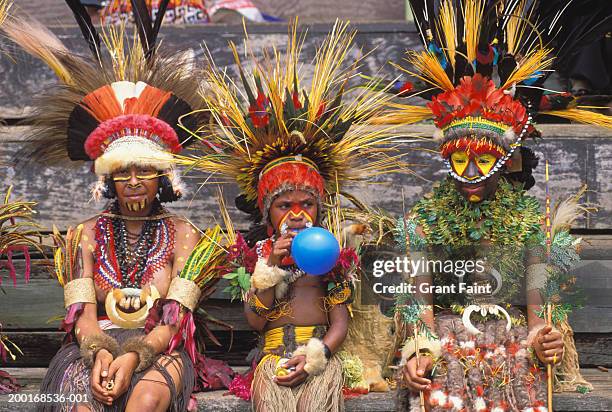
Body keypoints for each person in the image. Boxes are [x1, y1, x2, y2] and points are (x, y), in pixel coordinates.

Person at [384, 1, 612, 410]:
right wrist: (420, 349)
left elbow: (539, 317)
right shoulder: (421, 225)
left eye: (483, 160)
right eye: (459, 160)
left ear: (504, 159)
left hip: (510, 336)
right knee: (447, 373)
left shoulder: (530, 223)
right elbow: (422, 312)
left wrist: (543, 340)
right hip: (449, 340)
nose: (471, 172)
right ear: (445, 157)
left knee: (513, 367)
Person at [180, 21, 403, 412]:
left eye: (308, 205)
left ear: (321, 209)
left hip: (318, 356)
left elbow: (339, 323)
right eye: (285, 206)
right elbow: (255, 320)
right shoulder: (261, 254)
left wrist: (318, 353)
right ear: (268, 213)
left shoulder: (330, 257)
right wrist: (271, 267)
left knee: (316, 401)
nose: (298, 215)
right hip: (271, 357)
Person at [2, 1, 208, 410]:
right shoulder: (86, 234)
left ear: (162, 177)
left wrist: (134, 357)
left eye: (145, 171)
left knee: (145, 398)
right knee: (82, 403)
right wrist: (100, 353)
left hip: (157, 350)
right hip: (90, 350)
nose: (133, 182)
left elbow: (176, 317)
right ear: (108, 178)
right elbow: (82, 314)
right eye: (123, 172)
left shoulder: (184, 234)